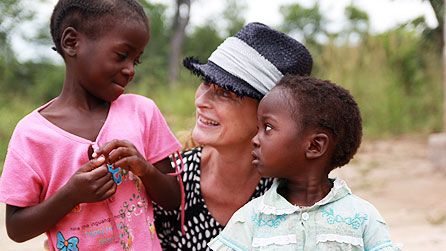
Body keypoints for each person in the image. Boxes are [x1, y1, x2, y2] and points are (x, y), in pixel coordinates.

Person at [0, 0, 182, 250]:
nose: (130, 70)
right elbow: (16, 229)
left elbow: (173, 199)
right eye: (122, 55)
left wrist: (144, 169)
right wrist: (71, 194)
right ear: (72, 42)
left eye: (136, 60)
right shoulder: (32, 135)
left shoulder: (142, 112)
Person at [154, 22, 313, 250]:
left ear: (267, 116)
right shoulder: (170, 177)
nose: (201, 100)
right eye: (206, 82)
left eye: (226, 93)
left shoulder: (291, 197)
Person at [208, 75, 400, 250]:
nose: (255, 139)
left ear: (314, 146)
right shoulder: (250, 220)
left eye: (268, 127)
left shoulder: (362, 218)